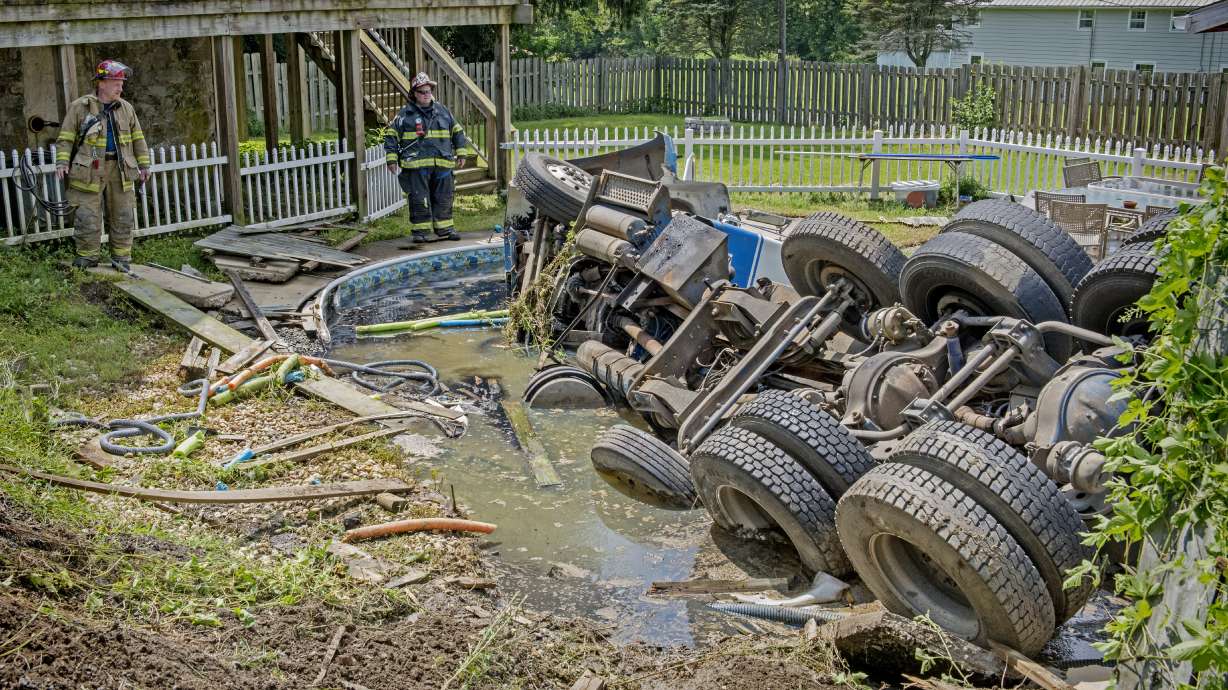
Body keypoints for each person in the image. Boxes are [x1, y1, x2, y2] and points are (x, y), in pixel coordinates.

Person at [55, 59, 151, 271]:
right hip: (89, 169)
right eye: (116, 83)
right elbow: (66, 138)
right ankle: (88, 257)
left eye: (121, 83)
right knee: (87, 214)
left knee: (123, 214)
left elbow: (138, 138)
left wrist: (144, 165)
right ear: (101, 83)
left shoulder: (126, 108)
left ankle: (121, 258)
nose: (121, 87)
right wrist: (62, 161)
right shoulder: (80, 108)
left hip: (121, 169)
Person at [384, 72, 476, 243]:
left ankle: (446, 229)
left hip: (443, 164)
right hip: (416, 167)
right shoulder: (404, 115)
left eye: (429, 91)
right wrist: (391, 160)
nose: (427, 94)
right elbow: (391, 137)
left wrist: (461, 152)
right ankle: (420, 232)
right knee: (419, 198)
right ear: (414, 94)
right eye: (422, 92)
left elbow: (457, 131)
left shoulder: (443, 111)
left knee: (444, 197)